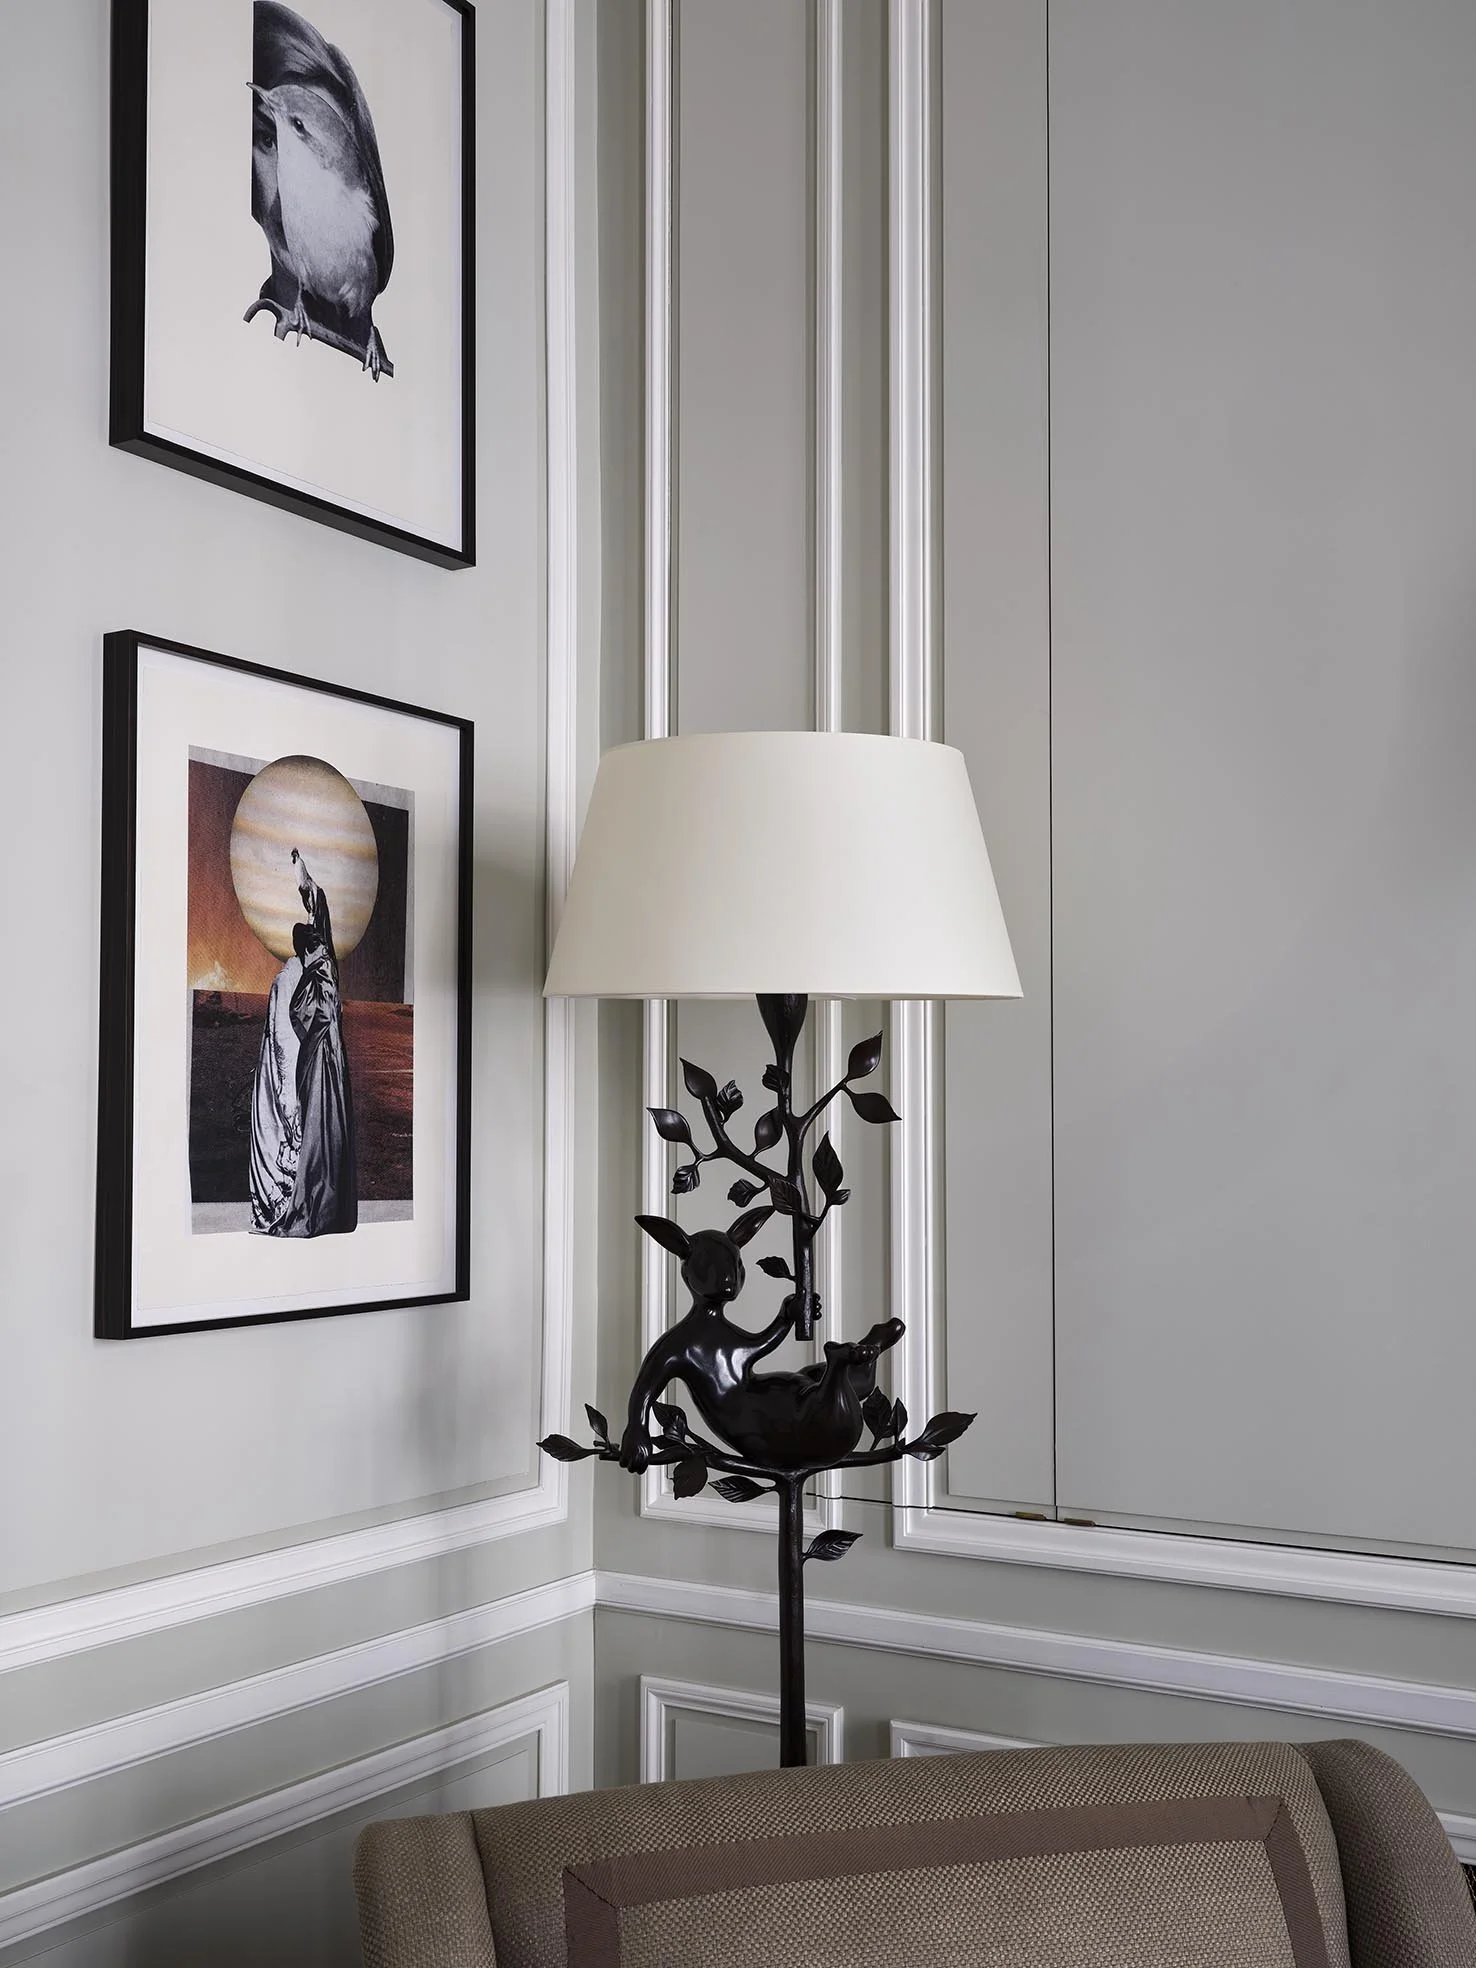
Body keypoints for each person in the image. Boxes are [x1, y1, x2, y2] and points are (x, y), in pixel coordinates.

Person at [278, 851, 358, 1237]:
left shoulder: (317, 964)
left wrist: (301, 872)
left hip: (323, 1056)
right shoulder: (324, 960)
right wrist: (301, 872)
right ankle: (331, 1204)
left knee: (321, 1120)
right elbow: (316, 904)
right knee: (327, 1121)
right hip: (329, 1056)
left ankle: (320, 1204)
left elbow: (310, 1015)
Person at [247, 945, 304, 1233]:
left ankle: (277, 1206)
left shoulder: (291, 980)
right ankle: (273, 1209)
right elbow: (283, 1035)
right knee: (275, 1137)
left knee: (276, 1137)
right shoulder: (288, 982)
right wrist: (288, 1089)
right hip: (282, 1074)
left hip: (282, 1072)